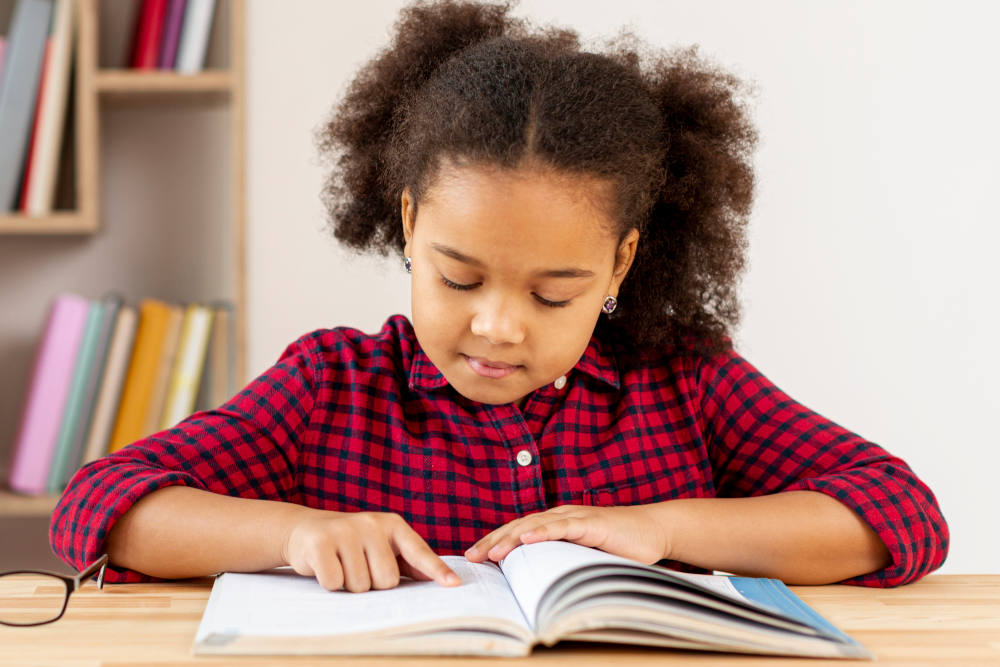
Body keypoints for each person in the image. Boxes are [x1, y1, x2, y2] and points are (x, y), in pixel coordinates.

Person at [51, 0, 947, 593]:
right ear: (408, 224)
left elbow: (900, 511)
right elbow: (95, 509)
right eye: (459, 276)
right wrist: (293, 534)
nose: (498, 325)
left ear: (622, 263)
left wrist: (664, 527)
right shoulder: (332, 385)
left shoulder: (683, 380)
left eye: (555, 294)